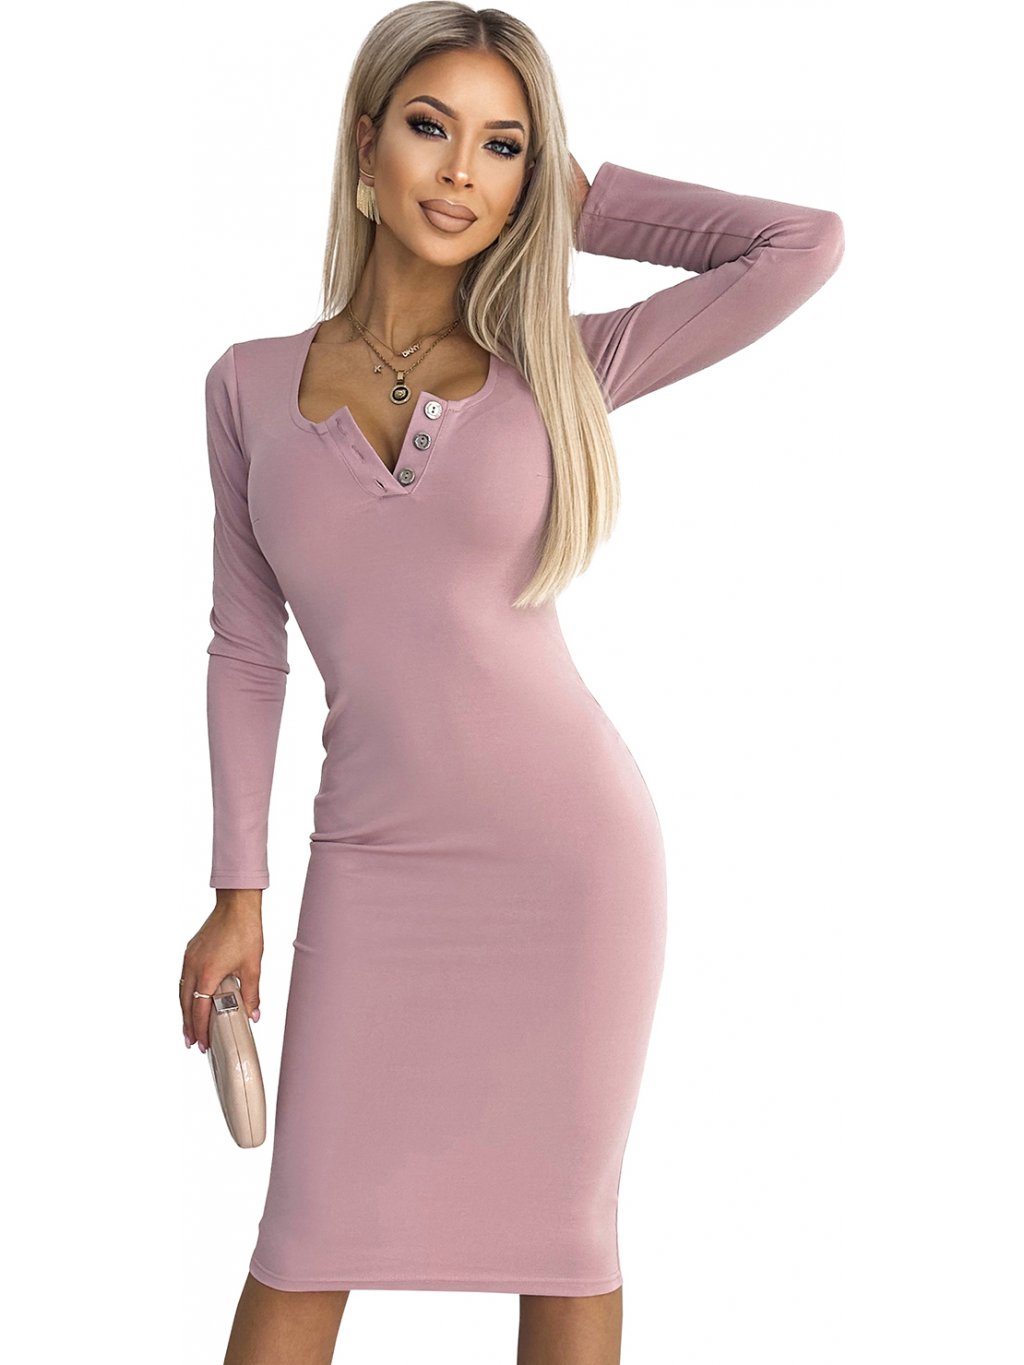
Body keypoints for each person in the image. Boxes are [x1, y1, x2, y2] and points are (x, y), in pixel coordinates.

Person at [179, 4, 844, 1362]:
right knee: (303, 1250)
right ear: (365, 141)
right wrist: (237, 890)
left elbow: (802, 245)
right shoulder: (246, 388)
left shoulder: (564, 366)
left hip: (569, 866)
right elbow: (247, 648)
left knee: (563, 1242)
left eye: (504, 147)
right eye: (431, 128)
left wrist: (585, 204)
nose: (459, 173)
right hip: (371, 865)